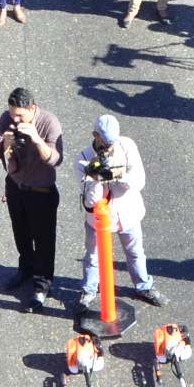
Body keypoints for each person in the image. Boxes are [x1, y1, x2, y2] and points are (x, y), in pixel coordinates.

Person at [78, 114, 161, 307]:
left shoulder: (126, 146)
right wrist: (96, 178)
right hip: (98, 221)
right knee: (93, 257)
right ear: (95, 135)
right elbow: (90, 203)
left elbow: (139, 182)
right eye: (106, 143)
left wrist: (119, 174)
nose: (110, 147)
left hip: (128, 215)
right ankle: (89, 290)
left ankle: (143, 286)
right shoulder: (82, 160)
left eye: (112, 142)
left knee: (135, 253)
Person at [0, 88, 64, 297]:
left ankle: (42, 286)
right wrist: (5, 141)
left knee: (43, 242)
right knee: (21, 234)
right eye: (12, 113)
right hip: (15, 187)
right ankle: (25, 269)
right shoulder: (7, 119)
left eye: (20, 115)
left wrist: (37, 139)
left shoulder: (49, 122)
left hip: (41, 192)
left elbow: (56, 159)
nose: (15, 118)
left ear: (33, 108)